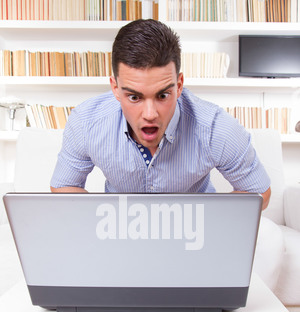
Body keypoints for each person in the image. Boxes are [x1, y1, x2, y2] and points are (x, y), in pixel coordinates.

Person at [50, 19, 271, 210]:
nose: (149, 114)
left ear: (179, 85)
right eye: (134, 97)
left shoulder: (216, 128)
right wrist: (108, 219)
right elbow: (63, 185)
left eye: (163, 95)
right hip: (117, 233)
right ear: (115, 88)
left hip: (196, 235)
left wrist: (203, 221)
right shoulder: (86, 122)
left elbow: (259, 192)